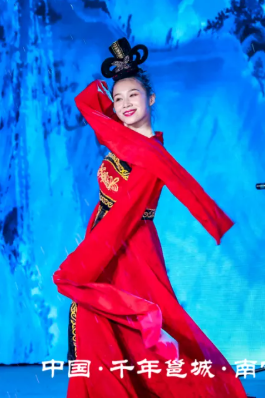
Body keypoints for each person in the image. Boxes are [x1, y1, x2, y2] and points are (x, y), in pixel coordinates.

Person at [53, 38, 248, 397]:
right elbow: (88, 103)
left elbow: (123, 215)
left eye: (134, 95)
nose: (125, 104)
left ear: (151, 99)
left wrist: (79, 265)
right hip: (105, 242)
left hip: (129, 247)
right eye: (118, 99)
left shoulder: (150, 155)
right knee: (100, 323)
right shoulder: (120, 139)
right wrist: (121, 68)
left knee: (135, 330)